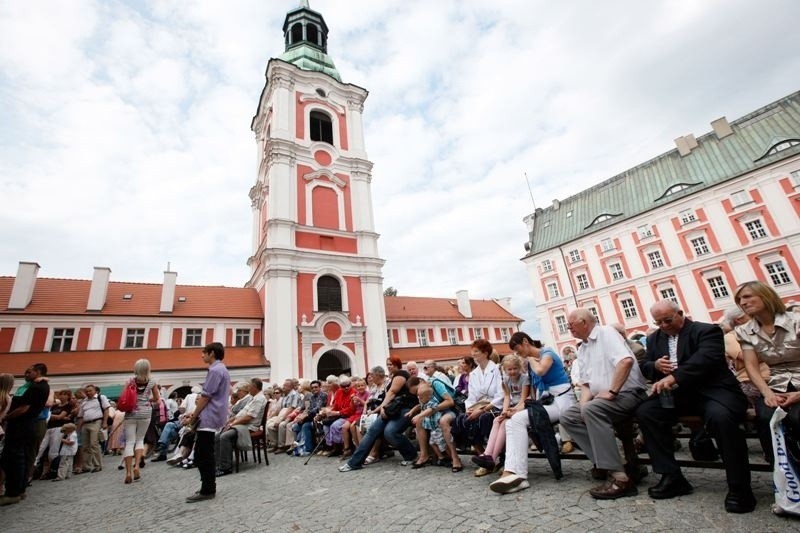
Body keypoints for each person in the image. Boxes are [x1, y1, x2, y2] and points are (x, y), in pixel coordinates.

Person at [637, 300, 755, 513]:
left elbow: (704, 360)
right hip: (680, 396)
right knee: (646, 412)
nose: (663, 325)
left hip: (714, 390)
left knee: (722, 418)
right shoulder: (655, 338)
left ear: (680, 313)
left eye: (667, 320)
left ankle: (739, 487)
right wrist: (654, 366)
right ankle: (671, 476)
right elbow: (644, 365)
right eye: (658, 322)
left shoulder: (706, 330)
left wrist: (673, 377)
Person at [559, 309, 647, 500]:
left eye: (570, 325)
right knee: (568, 417)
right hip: (603, 398)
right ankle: (614, 462)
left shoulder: (606, 333)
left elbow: (625, 361)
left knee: (592, 409)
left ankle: (620, 478)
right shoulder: (582, 348)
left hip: (627, 393)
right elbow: (586, 385)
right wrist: (583, 406)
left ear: (584, 322)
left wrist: (613, 390)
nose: (568, 329)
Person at [490, 333, 575, 494]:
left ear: (525, 342)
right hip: (546, 403)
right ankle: (512, 472)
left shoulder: (547, 353)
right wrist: (516, 408)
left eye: (517, 349)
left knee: (516, 421)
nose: (517, 353)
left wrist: (529, 358)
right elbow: (534, 395)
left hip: (562, 401)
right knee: (513, 420)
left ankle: (517, 474)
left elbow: (541, 370)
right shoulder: (531, 363)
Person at [734, 281, 800, 465]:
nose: (743, 302)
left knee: (797, 416)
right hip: (776, 383)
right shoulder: (744, 330)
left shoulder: (795, 320)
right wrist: (767, 393)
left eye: (747, 296)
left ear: (765, 295)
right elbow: (751, 366)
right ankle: (784, 471)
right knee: (766, 417)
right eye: (739, 300)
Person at [338, 357, 417, 472]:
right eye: (387, 364)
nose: (389, 366)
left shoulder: (401, 374)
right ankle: (354, 463)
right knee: (372, 431)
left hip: (405, 409)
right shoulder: (392, 377)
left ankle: (411, 455)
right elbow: (389, 397)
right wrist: (377, 410)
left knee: (390, 432)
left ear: (397, 365)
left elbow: (392, 392)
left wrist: (383, 407)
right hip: (393, 409)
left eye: (391, 364)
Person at [183, 342, 230, 503]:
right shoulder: (221, 369)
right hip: (214, 414)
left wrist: (194, 415)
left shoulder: (215, 370)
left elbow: (206, 396)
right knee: (205, 453)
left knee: (204, 454)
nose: (202, 355)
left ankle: (208, 489)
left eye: (204, 352)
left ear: (212, 353)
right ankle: (208, 487)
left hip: (210, 415)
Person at [0, 363, 50, 506]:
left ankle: (14, 492)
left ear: (38, 372)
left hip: (22, 425)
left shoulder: (37, 387)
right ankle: (17, 490)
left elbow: (24, 408)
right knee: (14, 458)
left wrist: (6, 417)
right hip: (21, 425)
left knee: (15, 458)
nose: (25, 373)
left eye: (29, 371)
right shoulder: (33, 385)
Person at [452, 340, 504, 464]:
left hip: (494, 406)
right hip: (478, 406)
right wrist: (470, 409)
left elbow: (502, 394)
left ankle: (500, 458)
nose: (473, 354)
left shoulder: (497, 369)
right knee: (462, 420)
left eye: (476, 351)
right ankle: (482, 456)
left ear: (485, 353)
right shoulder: (474, 373)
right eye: (472, 351)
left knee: (483, 419)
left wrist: (482, 410)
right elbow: (472, 396)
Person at [215, 378, 266, 476]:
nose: (248, 388)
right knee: (217, 436)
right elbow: (242, 413)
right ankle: (219, 464)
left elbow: (249, 417)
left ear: (254, 387)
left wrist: (233, 424)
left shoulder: (259, 399)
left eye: (249, 386)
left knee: (224, 436)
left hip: (249, 427)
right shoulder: (253, 397)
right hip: (242, 424)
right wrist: (230, 421)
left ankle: (226, 468)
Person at [122, 359, 160, 484]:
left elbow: (124, 395)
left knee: (129, 442)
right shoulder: (152, 381)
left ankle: (128, 472)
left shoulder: (130, 381)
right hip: (145, 412)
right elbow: (156, 399)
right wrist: (147, 399)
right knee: (140, 440)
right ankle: (136, 467)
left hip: (131, 412)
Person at [408, 377, 456, 468]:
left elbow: (450, 401)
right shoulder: (425, 392)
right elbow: (423, 404)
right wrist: (414, 411)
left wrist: (431, 410)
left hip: (449, 410)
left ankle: (454, 458)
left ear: (421, 381)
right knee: (419, 422)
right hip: (437, 413)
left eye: (418, 391)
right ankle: (425, 455)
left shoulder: (435, 384)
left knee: (441, 424)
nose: (418, 397)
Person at [76, 384, 110, 474]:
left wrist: (105, 422)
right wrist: (78, 428)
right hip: (85, 424)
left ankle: (98, 465)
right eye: (86, 391)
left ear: (95, 391)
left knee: (93, 443)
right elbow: (80, 416)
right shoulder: (84, 401)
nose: (88, 393)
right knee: (85, 446)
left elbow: (106, 409)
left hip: (96, 422)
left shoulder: (101, 397)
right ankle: (86, 466)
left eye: (90, 391)